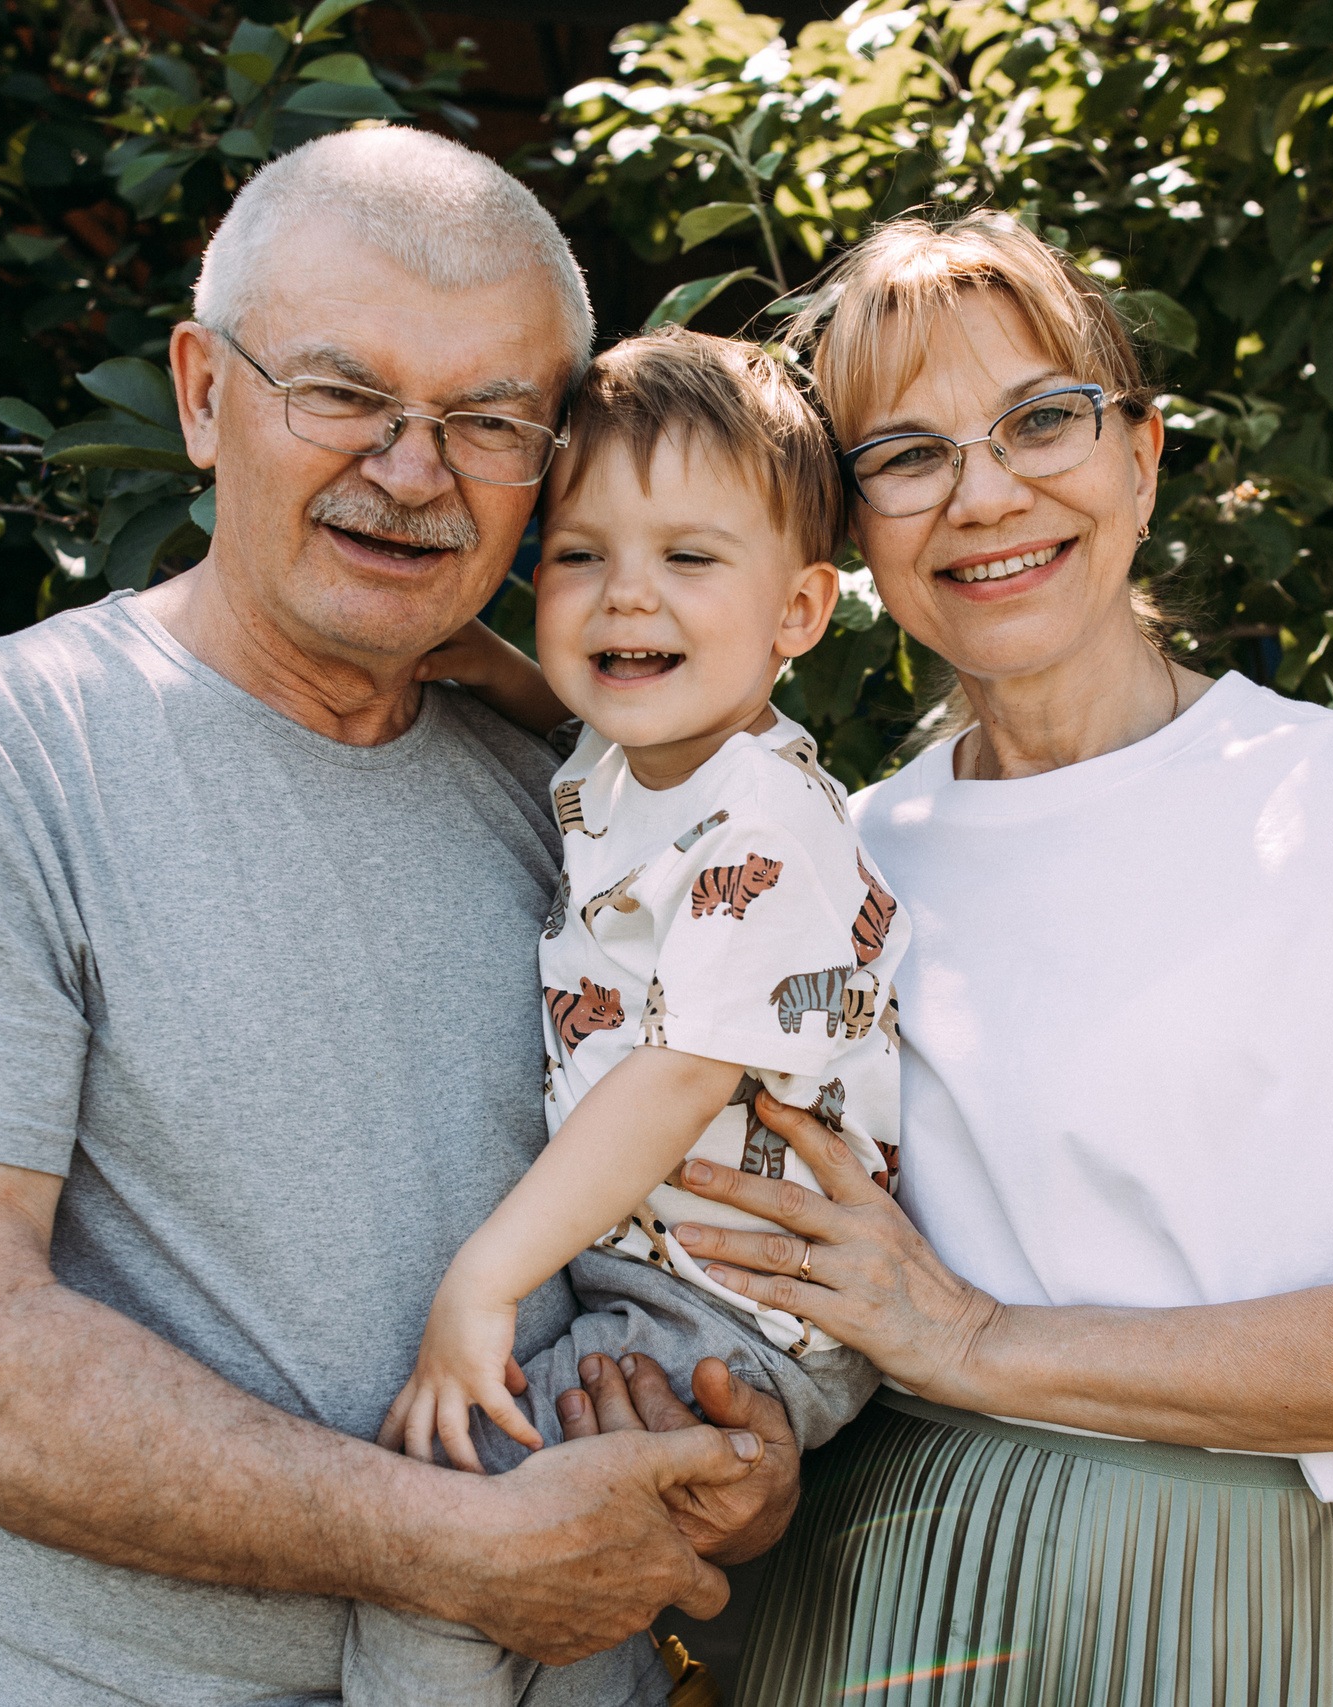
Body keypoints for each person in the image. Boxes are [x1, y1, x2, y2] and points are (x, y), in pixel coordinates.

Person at [0, 128, 803, 1707]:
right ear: (201, 391)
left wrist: (744, 1448)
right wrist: (442, 1544)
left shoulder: (591, 799)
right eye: (342, 393)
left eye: (490, 420)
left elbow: (708, 1201)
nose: (411, 467)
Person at [662, 211, 1333, 1705]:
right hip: (870, 1590)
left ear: (1142, 452)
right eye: (908, 456)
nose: (983, 495)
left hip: (1218, 1603)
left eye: (1041, 420)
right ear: (852, 535)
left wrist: (979, 1340)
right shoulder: (836, 858)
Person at [347, 328, 905, 1705]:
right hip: (670, 1289)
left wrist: (480, 1283)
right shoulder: (646, 757)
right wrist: (488, 664)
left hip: (734, 1319)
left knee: (447, 1528)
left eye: (690, 560)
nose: (622, 599)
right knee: (540, 1600)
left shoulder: (765, 820)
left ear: (801, 612)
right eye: (582, 556)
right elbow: (599, 711)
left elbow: (675, 1078)